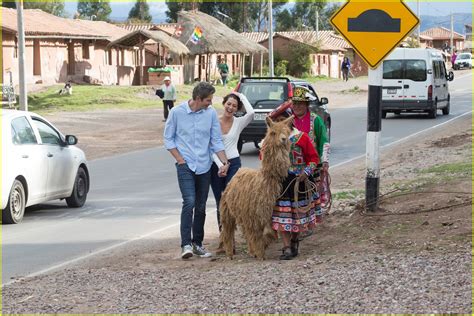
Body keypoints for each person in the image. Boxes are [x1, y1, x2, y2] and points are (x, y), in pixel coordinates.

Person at [164, 82, 230, 260]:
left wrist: (224, 161)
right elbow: (168, 139)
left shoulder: (210, 115)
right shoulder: (176, 113)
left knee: (201, 206)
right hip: (185, 165)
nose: (211, 103)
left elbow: (216, 140)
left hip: (204, 166)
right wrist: (180, 159)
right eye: (208, 100)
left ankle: (197, 244)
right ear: (198, 99)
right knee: (189, 202)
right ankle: (185, 244)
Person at [267, 105, 320, 260]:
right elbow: (264, 159)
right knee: (282, 215)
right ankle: (286, 247)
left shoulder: (302, 138)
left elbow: (313, 158)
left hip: (300, 182)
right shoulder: (270, 140)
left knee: (297, 215)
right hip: (281, 183)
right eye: (278, 121)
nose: (281, 123)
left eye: (284, 120)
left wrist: (306, 172)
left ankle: (295, 240)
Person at [210, 92, 254, 234]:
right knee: (220, 201)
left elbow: (251, 113)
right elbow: (209, 146)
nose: (230, 107)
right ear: (224, 104)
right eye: (229, 104)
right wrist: (220, 165)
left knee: (231, 199)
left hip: (234, 164)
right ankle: (223, 236)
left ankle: (231, 235)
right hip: (216, 164)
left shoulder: (238, 122)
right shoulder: (214, 121)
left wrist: (241, 95)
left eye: (234, 106)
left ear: (237, 109)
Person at [291, 85, 330, 222]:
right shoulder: (288, 122)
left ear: (306, 104)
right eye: (295, 103)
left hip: (313, 166)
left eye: (300, 103)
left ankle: (309, 220)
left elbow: (324, 141)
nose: (297, 106)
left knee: (312, 195)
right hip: (293, 168)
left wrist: (324, 161)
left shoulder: (316, 120)